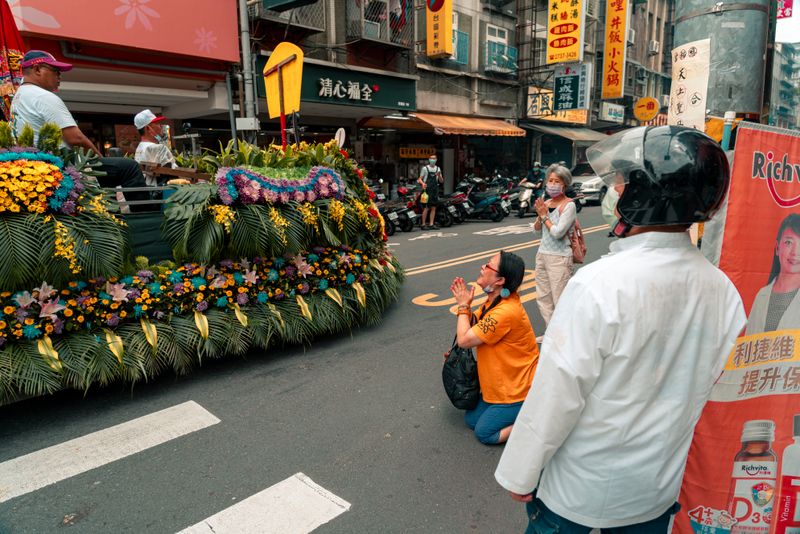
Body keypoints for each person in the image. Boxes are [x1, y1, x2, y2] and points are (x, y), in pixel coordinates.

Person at [495, 126, 746, 532]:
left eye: (625, 182)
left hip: (578, 486)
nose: (617, 191)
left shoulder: (598, 284)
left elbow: (556, 394)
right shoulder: (724, 293)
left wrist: (521, 472)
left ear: (645, 195)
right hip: (655, 487)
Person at [9, 50, 147, 196]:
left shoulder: (18, 97)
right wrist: (100, 159)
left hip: (35, 164)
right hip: (61, 165)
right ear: (37, 69)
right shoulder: (43, 96)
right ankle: (145, 215)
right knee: (129, 167)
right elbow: (76, 138)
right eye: (55, 71)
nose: (59, 76)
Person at [449, 251, 539, 445]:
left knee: (484, 433)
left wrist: (463, 306)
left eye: (488, 265)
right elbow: (476, 326)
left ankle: (537, 421)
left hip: (517, 390)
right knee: (471, 420)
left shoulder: (506, 311)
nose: (483, 266)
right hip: (499, 385)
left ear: (500, 280)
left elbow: (465, 340)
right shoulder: (495, 301)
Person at [532, 164, 577, 341]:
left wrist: (545, 216)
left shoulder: (569, 206)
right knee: (543, 296)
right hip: (542, 254)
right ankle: (550, 332)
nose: (552, 184)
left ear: (564, 185)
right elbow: (536, 230)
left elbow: (558, 233)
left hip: (560, 258)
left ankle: (564, 335)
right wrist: (539, 213)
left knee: (560, 298)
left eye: (556, 181)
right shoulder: (547, 203)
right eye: (550, 180)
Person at [746, 213, 800, 334]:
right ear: (777, 248)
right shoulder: (762, 296)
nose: (795, 253)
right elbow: (750, 343)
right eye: (789, 243)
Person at [134, 109, 177, 186]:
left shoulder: (140, 147)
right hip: (159, 189)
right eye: (156, 124)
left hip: (145, 187)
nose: (160, 126)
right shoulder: (159, 148)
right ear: (148, 128)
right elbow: (172, 172)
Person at [418, 154, 443, 230]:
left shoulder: (438, 169)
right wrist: (422, 183)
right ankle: (423, 224)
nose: (433, 160)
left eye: (434, 158)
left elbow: (441, 181)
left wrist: (439, 176)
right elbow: (419, 179)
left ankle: (431, 224)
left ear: (436, 160)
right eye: (431, 158)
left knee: (433, 207)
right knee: (426, 207)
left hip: (434, 190)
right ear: (429, 159)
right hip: (427, 190)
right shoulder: (425, 168)